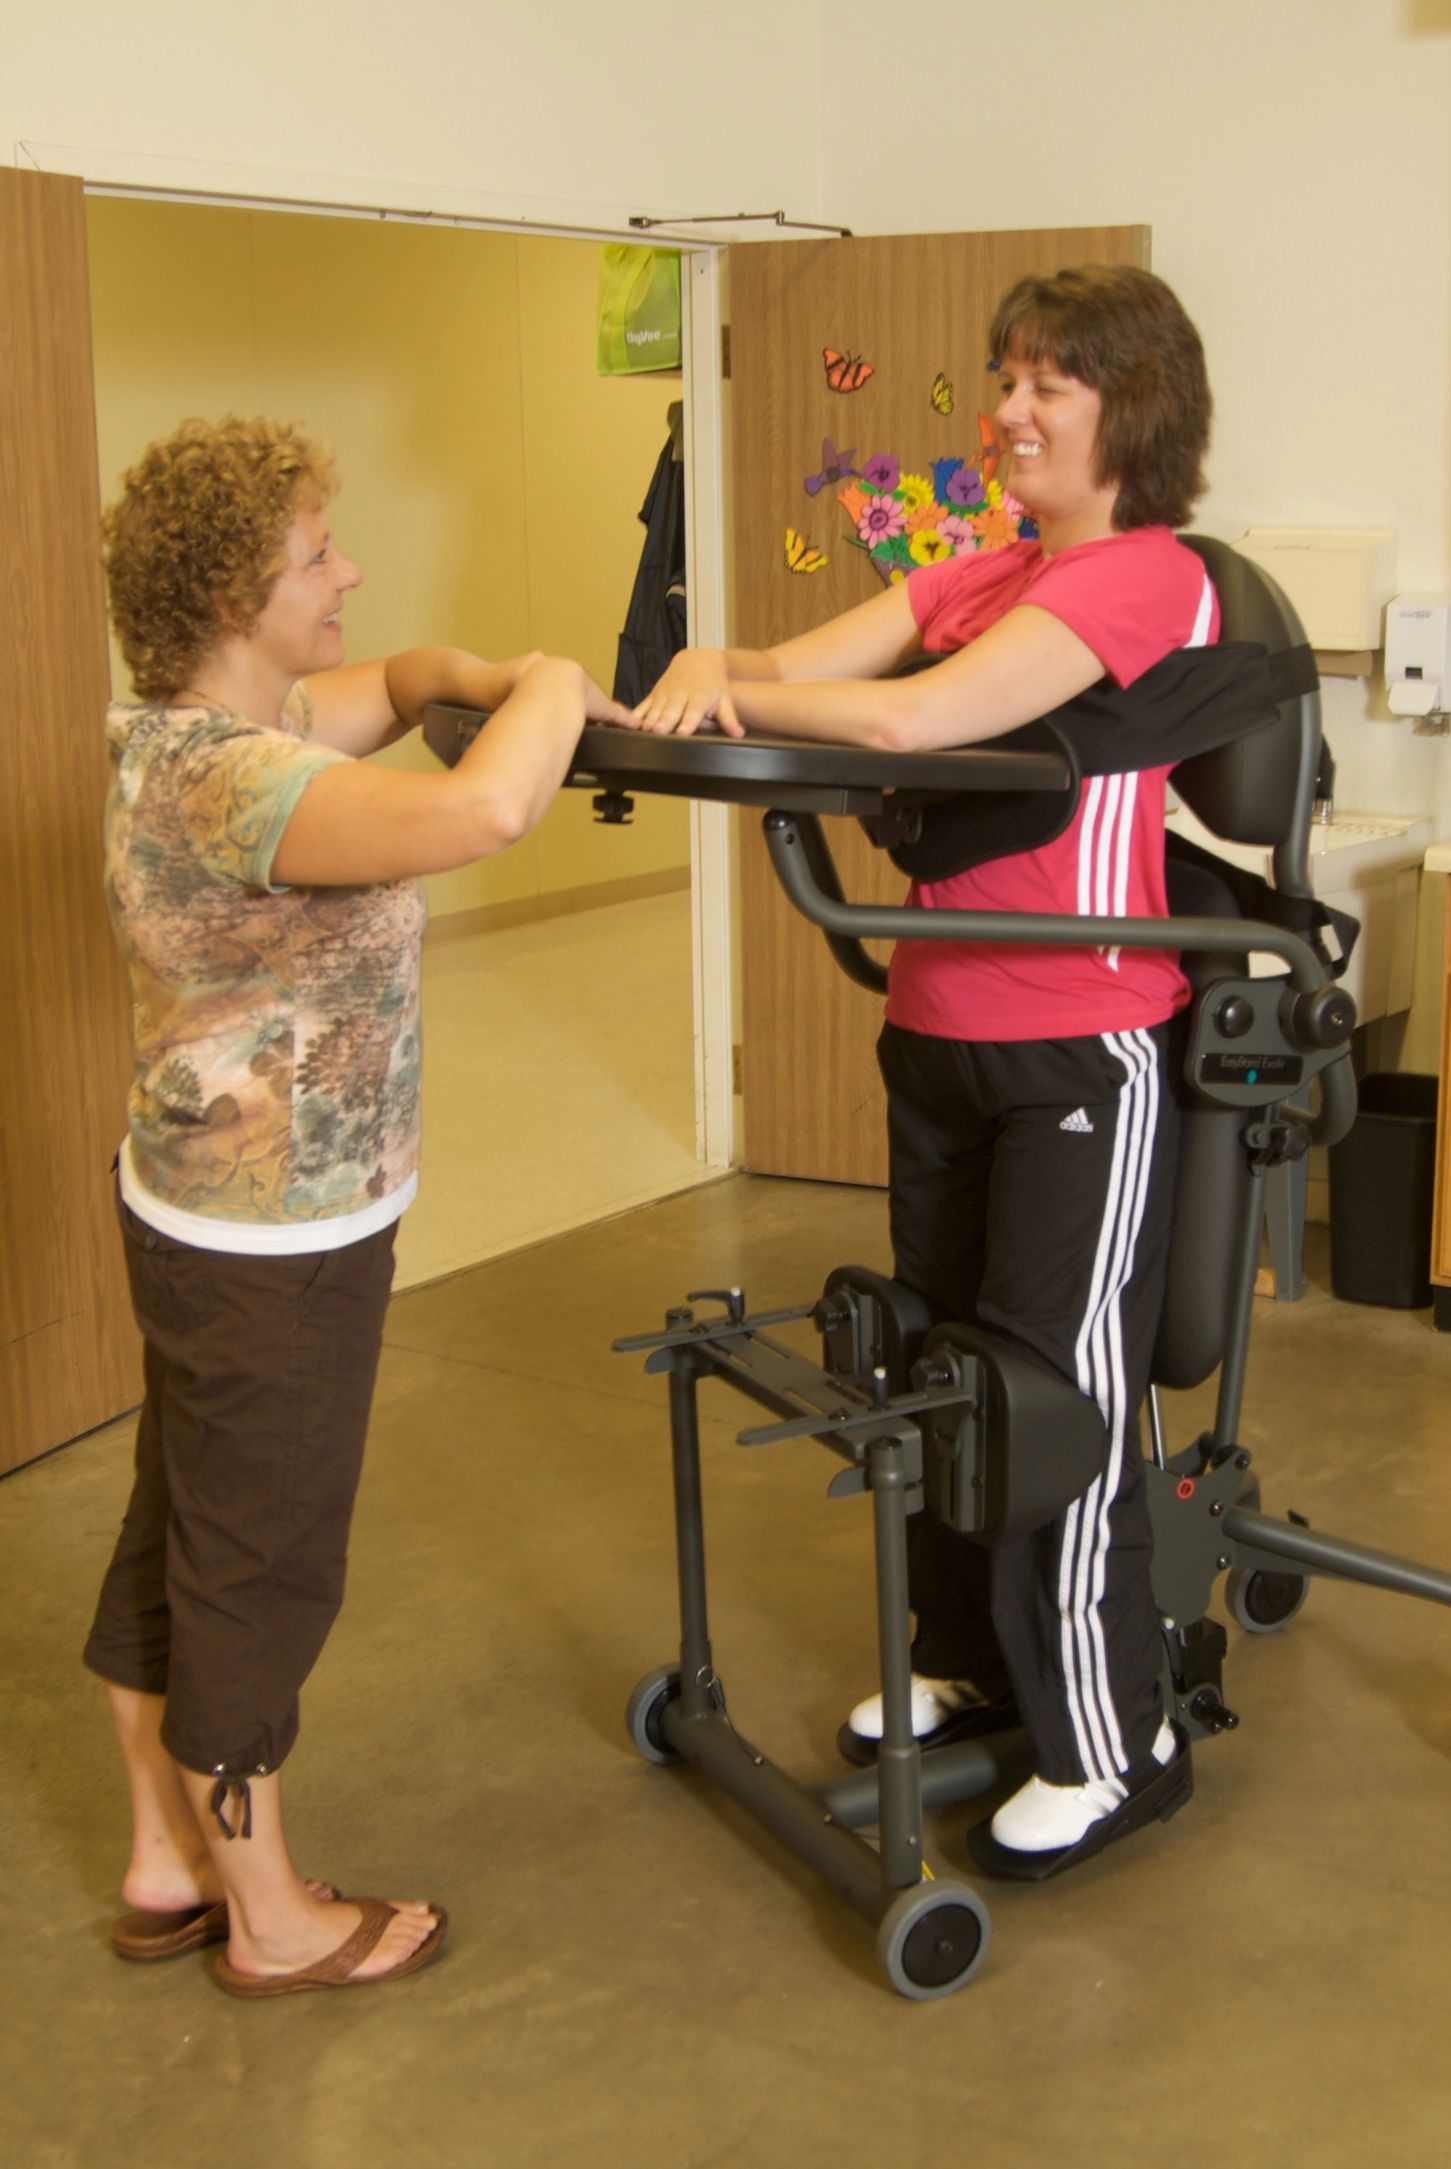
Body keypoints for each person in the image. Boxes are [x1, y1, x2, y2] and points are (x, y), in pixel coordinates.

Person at [629, 264, 1215, 1874]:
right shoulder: (978, 567)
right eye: (1005, 376)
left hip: (1080, 1043)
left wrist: (743, 685)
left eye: (1050, 385)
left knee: (1054, 1399)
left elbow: (923, 722)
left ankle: (1116, 1732)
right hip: (940, 1035)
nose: (1010, 410)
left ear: (1131, 412)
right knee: (947, 1377)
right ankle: (971, 1666)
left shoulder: (1143, 582)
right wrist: (686, 674)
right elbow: (804, 653)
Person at [86, 415, 629, 1992]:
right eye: (317, 553)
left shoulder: (190, 731)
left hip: (197, 1214)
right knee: (260, 1570)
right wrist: (551, 690)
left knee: (182, 1532)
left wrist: (460, 670)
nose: (349, 570)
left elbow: (384, 685)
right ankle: (271, 1918)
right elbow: (481, 815)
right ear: (236, 593)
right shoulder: (238, 782)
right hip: (274, 1251)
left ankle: (158, 1853)